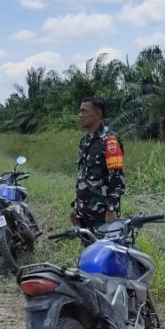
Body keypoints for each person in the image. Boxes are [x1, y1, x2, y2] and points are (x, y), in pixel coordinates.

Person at [72, 96, 126, 232]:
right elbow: (82, 177)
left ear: (98, 114)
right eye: (80, 111)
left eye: (84, 111)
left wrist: (112, 208)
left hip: (102, 214)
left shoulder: (110, 140)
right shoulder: (84, 141)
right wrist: (76, 206)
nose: (80, 115)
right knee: (87, 250)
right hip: (85, 212)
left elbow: (117, 177)